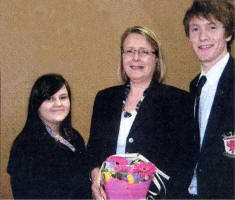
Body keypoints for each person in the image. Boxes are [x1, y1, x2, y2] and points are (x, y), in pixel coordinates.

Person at [87, 26, 194, 199]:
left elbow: (183, 163)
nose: (136, 58)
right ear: (122, 56)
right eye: (129, 51)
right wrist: (95, 179)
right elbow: (92, 151)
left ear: (156, 58)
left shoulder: (178, 100)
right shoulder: (104, 98)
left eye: (144, 51)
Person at [7, 73, 90, 199]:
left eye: (63, 97)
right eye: (49, 98)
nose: (58, 104)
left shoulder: (74, 137)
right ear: (36, 104)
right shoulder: (25, 146)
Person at [183, 0, 234, 199]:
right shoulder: (195, 85)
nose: (203, 37)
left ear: (228, 33)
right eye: (195, 29)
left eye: (212, 27)